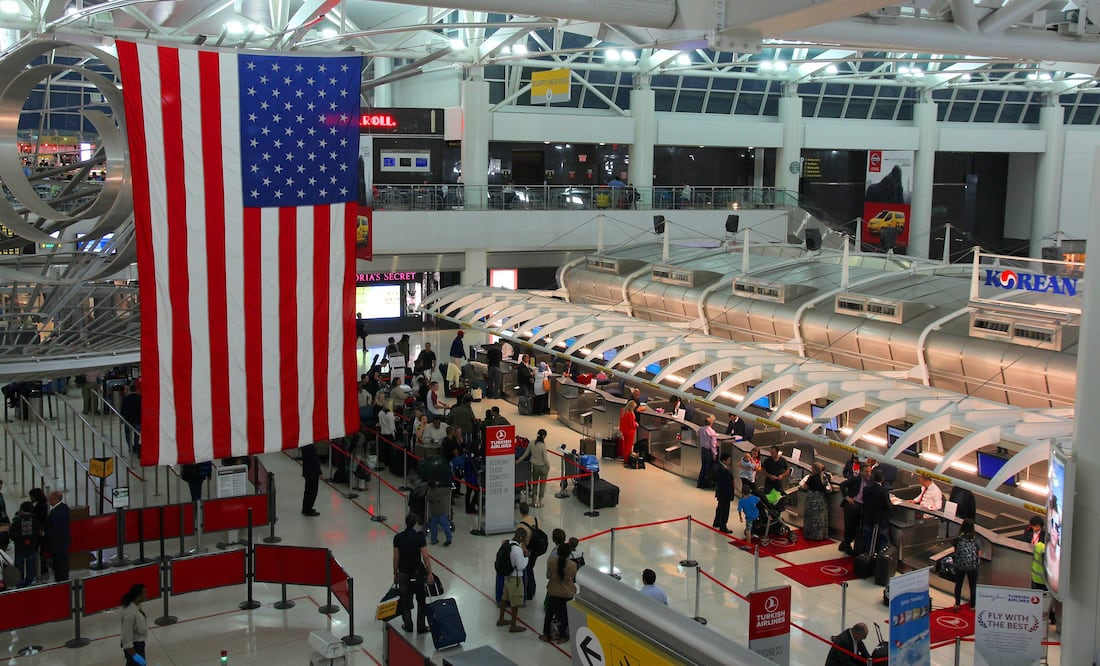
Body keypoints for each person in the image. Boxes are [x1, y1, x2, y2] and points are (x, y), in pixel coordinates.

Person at [393, 513, 435, 634]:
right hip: (417, 573)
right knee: (421, 600)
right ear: (415, 523)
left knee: (405, 600)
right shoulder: (419, 537)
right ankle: (421, 626)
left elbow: (396, 557)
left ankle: (408, 625)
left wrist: (395, 572)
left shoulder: (398, 538)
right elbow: (425, 556)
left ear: (406, 523)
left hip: (403, 573)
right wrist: (429, 572)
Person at [542, 541, 577, 644]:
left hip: (553, 590)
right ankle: (562, 635)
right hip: (567, 592)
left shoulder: (551, 561)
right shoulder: (572, 565)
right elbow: (573, 578)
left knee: (549, 613)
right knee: (564, 615)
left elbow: (548, 575)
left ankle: (546, 634)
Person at [496, 528, 528, 633]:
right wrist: (526, 557)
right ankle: (513, 626)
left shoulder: (507, 544)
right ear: (521, 538)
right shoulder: (517, 550)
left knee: (504, 598)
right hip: (515, 578)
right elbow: (520, 566)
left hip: (507, 576)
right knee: (515, 601)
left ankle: (501, 619)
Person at [838, 465, 871, 554]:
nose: (868, 474)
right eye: (866, 472)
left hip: (861, 507)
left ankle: (845, 544)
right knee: (849, 527)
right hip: (851, 505)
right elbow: (842, 485)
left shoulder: (870, 481)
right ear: (861, 472)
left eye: (869, 471)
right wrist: (846, 497)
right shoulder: (855, 479)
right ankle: (846, 545)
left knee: (856, 528)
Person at [9, 501, 40, 587]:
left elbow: (12, 534)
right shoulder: (36, 520)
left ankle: (20, 583)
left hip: (20, 547)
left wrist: (19, 540)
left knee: (19, 566)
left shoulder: (17, 521)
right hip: (32, 546)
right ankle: (29, 582)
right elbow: (38, 532)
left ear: (21, 509)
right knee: (31, 565)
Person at [516, 502, 543, 601]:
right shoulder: (536, 520)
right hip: (536, 549)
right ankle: (532, 588)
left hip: (528, 550)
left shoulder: (521, 525)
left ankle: (530, 590)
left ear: (520, 512)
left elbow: (519, 540)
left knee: (528, 570)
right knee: (530, 568)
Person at [861, 468, 892, 553]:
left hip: (868, 517)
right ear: (882, 479)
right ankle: (881, 555)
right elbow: (887, 505)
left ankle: (869, 553)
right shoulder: (884, 491)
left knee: (868, 537)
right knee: (882, 538)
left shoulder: (866, 489)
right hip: (880, 519)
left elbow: (865, 501)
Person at [952, 518, 980, 611]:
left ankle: (957, 604)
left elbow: (955, 550)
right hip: (972, 566)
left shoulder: (958, 539)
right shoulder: (975, 539)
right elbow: (979, 553)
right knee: (973, 586)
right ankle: (973, 605)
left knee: (958, 585)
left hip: (960, 565)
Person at [799, 462, 832, 541]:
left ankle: (811, 535)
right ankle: (820, 535)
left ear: (814, 469)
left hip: (812, 499)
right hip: (821, 500)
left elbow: (805, 487)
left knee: (811, 517)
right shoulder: (824, 477)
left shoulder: (811, 478)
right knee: (820, 518)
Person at [518, 429, 551, 507]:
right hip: (543, 467)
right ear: (544, 436)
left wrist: (519, 460)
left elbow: (526, 454)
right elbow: (545, 458)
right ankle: (540, 502)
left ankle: (534, 501)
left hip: (535, 467)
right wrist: (549, 466)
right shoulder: (543, 446)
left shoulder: (531, 443)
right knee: (542, 484)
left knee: (535, 484)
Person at [43, 490, 70, 582]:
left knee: (59, 564)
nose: (48, 500)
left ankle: (61, 582)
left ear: (54, 499)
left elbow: (55, 529)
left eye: (50, 498)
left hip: (57, 543)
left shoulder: (55, 513)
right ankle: (64, 580)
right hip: (64, 541)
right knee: (63, 563)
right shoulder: (64, 507)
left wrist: (44, 534)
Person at [119, 583, 149, 666]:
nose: (146, 595)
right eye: (144, 593)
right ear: (138, 596)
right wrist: (134, 655)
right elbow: (126, 637)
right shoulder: (130, 614)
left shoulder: (137, 605)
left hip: (139, 645)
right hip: (135, 648)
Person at [712, 452, 735, 534]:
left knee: (720, 508)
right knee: (724, 510)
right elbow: (726, 482)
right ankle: (723, 526)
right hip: (725, 493)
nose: (730, 461)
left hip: (721, 492)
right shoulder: (722, 469)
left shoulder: (720, 467)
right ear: (724, 460)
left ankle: (717, 522)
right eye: (728, 460)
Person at [426, 479, 453, 547]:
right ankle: (449, 538)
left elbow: (428, 499)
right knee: (445, 525)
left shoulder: (430, 494)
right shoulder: (440, 490)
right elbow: (449, 489)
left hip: (434, 512)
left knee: (433, 526)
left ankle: (433, 540)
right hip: (442, 511)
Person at [696, 414, 718, 489]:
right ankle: (705, 484)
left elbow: (697, 434)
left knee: (703, 466)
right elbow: (713, 444)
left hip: (703, 450)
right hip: (709, 451)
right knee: (708, 468)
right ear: (711, 423)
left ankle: (700, 483)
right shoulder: (712, 432)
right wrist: (714, 454)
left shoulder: (701, 429)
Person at [120, 383, 142, 456]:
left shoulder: (125, 398)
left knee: (127, 433)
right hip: (138, 420)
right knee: (137, 434)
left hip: (128, 419)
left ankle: (130, 447)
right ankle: (136, 447)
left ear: (129, 390)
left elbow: (122, 409)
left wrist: (122, 418)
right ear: (136, 389)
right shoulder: (140, 398)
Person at [300, 444, 322, 517]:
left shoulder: (304, 445)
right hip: (312, 472)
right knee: (312, 491)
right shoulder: (310, 447)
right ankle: (308, 509)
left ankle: (305, 508)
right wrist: (319, 472)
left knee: (307, 491)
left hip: (307, 471)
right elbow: (314, 460)